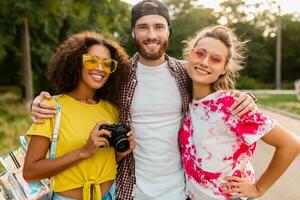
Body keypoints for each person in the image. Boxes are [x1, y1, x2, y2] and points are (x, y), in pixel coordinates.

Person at [29, 1, 258, 199]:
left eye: (159, 27)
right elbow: (83, 95)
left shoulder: (185, 73)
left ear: (168, 31)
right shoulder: (118, 75)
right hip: (130, 190)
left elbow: (213, 93)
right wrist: (41, 101)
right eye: (143, 27)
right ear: (133, 32)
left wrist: (247, 97)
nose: (151, 35)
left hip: (179, 189)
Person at [178, 25, 300, 200]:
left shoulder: (231, 106)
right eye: (200, 53)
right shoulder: (188, 100)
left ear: (224, 68)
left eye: (215, 59)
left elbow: (291, 145)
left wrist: (258, 188)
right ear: (190, 55)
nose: (205, 62)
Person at [23, 31, 135, 200]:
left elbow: (102, 163)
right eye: (91, 61)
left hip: (110, 195)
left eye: (107, 64)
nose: (99, 68)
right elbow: (30, 172)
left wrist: (120, 153)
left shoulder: (112, 109)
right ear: (76, 63)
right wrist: (84, 151)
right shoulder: (52, 107)